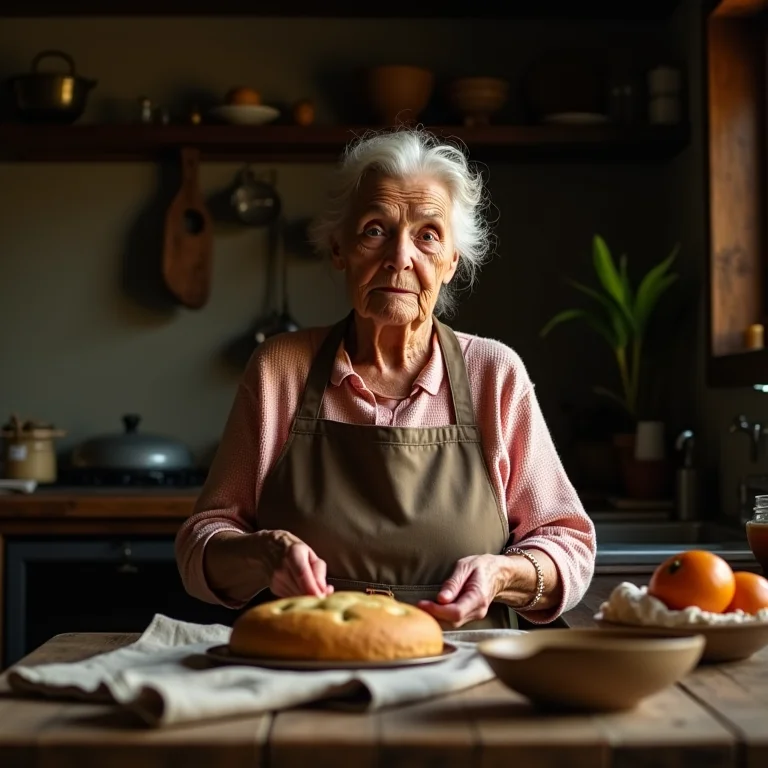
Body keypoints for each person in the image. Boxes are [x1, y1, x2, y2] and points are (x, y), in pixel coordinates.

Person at [175, 127, 596, 630]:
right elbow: (201, 544)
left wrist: (504, 574)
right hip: (307, 670)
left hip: (462, 675)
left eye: (428, 235)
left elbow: (568, 544)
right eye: (375, 229)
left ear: (450, 263)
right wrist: (261, 555)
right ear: (339, 250)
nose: (400, 256)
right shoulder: (280, 368)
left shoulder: (495, 373)